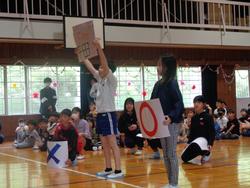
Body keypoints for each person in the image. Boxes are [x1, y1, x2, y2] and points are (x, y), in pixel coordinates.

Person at [75, 39, 123, 179]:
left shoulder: (111, 80)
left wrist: (99, 48)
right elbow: (90, 66)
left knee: (113, 143)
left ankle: (118, 170)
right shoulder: (99, 79)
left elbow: (104, 64)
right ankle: (108, 168)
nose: (99, 69)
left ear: (108, 70)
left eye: (102, 67)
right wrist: (82, 54)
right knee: (104, 143)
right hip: (100, 115)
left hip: (109, 114)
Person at [151, 55, 184, 188]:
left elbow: (179, 103)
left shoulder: (172, 83)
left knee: (171, 153)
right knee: (165, 154)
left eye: (160, 65)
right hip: (161, 123)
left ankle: (174, 183)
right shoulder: (158, 84)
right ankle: (170, 182)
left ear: (166, 67)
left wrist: (171, 117)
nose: (157, 67)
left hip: (171, 123)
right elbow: (152, 102)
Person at [181, 96, 215, 164]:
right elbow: (192, 132)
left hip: (204, 141)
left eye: (198, 102)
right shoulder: (194, 118)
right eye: (195, 103)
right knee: (184, 158)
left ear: (203, 104)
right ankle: (202, 152)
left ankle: (206, 153)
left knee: (197, 146)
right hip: (195, 142)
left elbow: (212, 131)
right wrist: (188, 143)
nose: (196, 104)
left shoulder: (208, 117)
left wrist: (210, 143)